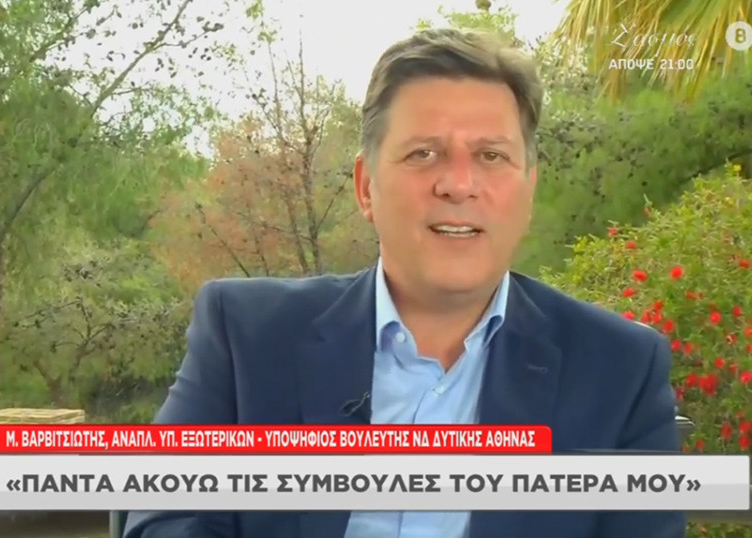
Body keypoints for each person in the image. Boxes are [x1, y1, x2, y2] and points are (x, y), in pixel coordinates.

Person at [123, 28, 685, 538]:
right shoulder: (244, 336)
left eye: (491, 155)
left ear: (528, 189)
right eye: (424, 153)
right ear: (366, 187)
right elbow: (165, 519)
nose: (458, 184)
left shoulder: (620, 369)